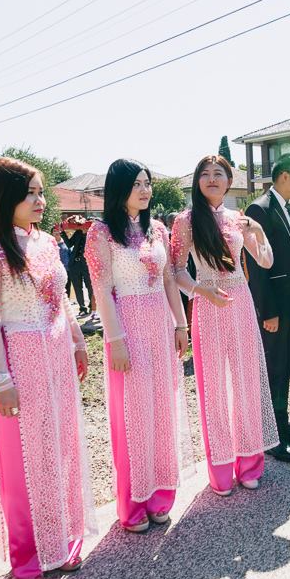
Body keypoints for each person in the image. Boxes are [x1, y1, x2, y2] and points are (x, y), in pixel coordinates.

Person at [0, 158, 98, 579]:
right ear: (5, 197)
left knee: (60, 446)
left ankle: (63, 539)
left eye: (42, 192)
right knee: (24, 457)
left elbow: (61, 300)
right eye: (31, 193)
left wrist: (78, 343)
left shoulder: (46, 242)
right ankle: (27, 553)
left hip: (58, 352)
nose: (41, 201)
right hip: (19, 358)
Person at [85, 160, 192, 533]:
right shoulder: (101, 233)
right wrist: (115, 340)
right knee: (133, 417)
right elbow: (101, 290)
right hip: (127, 327)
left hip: (160, 325)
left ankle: (160, 496)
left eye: (147, 183)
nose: (145, 191)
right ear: (119, 189)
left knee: (162, 410)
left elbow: (168, 280)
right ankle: (132, 504)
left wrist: (180, 324)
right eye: (136, 185)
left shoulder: (158, 230)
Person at [170, 155, 279, 494]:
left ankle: (248, 463)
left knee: (246, 383)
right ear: (197, 181)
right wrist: (198, 290)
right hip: (207, 305)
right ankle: (219, 470)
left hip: (240, 303)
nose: (212, 179)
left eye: (219, 174)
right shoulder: (185, 221)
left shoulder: (238, 219)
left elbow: (265, 260)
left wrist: (258, 230)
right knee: (214, 388)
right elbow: (175, 271)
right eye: (205, 174)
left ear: (229, 181)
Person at [245, 154, 290, 464]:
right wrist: (268, 311)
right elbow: (257, 268)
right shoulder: (258, 209)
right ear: (285, 176)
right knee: (273, 368)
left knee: (285, 367)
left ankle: (282, 425)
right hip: (274, 308)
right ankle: (268, 435)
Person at [62, 223, 93, 316]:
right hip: (74, 264)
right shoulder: (78, 232)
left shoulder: (92, 234)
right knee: (77, 287)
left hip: (87, 264)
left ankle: (92, 306)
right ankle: (82, 308)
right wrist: (62, 233)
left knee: (89, 286)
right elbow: (69, 244)